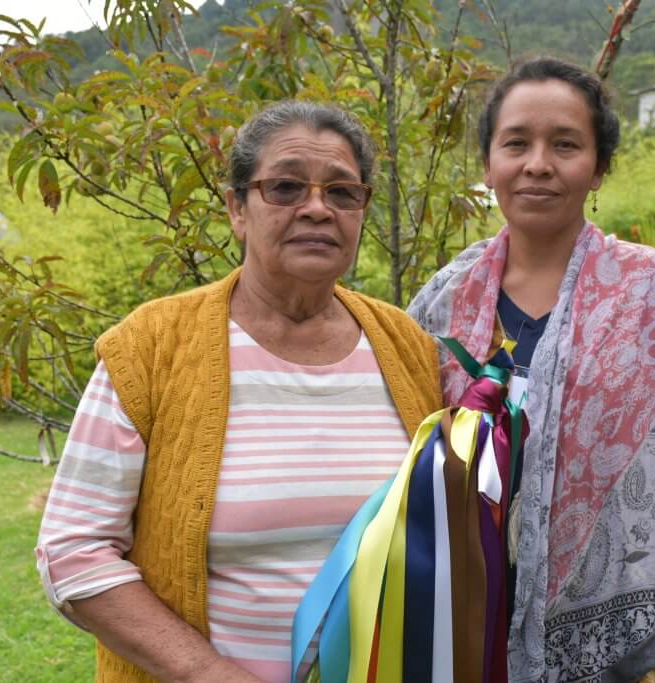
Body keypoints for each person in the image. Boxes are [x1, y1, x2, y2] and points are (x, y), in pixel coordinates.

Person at [35, 100, 442, 683]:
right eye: (284, 187)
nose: (317, 208)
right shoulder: (153, 347)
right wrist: (206, 672)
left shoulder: (405, 345)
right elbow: (72, 553)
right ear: (236, 209)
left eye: (343, 192)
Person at [408, 57, 655, 682]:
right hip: (461, 643)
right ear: (489, 164)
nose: (538, 164)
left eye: (566, 144)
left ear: (599, 166)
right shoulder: (442, 302)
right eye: (516, 143)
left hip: (626, 662)